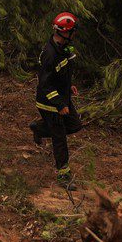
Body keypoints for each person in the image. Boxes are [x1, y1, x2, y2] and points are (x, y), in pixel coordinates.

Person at [29, 12, 83, 187]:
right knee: (59, 138)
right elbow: (45, 84)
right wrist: (59, 104)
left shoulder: (63, 49)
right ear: (64, 33)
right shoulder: (50, 54)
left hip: (63, 97)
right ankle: (63, 176)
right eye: (73, 31)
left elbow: (60, 74)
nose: (74, 34)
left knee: (75, 124)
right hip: (49, 103)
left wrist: (69, 86)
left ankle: (39, 128)